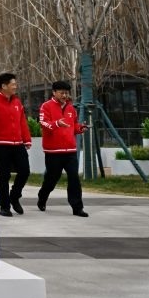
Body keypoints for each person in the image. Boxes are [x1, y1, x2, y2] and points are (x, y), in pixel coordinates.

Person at [0, 72, 31, 217]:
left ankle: (14, 196)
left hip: (18, 144)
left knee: (25, 171)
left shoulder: (17, 102)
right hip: (0, 144)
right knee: (4, 175)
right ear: (4, 86)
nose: (15, 86)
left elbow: (22, 122)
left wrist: (27, 139)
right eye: (13, 84)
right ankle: (4, 206)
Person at [37, 81, 89, 217]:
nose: (64, 95)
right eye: (61, 93)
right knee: (52, 179)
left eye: (66, 93)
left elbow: (74, 126)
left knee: (74, 179)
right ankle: (42, 196)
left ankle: (77, 208)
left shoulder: (71, 108)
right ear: (54, 92)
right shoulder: (46, 106)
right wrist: (56, 124)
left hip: (70, 151)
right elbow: (43, 123)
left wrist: (81, 128)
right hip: (53, 151)